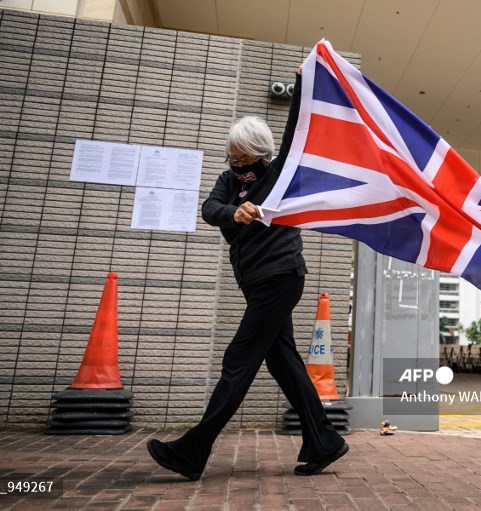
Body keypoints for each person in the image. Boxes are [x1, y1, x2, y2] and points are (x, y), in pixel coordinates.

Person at [147, 68, 348, 480]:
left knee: (239, 359)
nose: (238, 165)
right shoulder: (228, 181)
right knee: (283, 363)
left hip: (281, 277)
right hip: (257, 283)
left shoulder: (278, 174)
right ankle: (325, 441)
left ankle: (192, 450)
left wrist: (303, 87)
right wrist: (233, 212)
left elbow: (295, 134)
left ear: (261, 154)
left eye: (244, 159)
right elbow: (209, 210)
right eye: (233, 158)